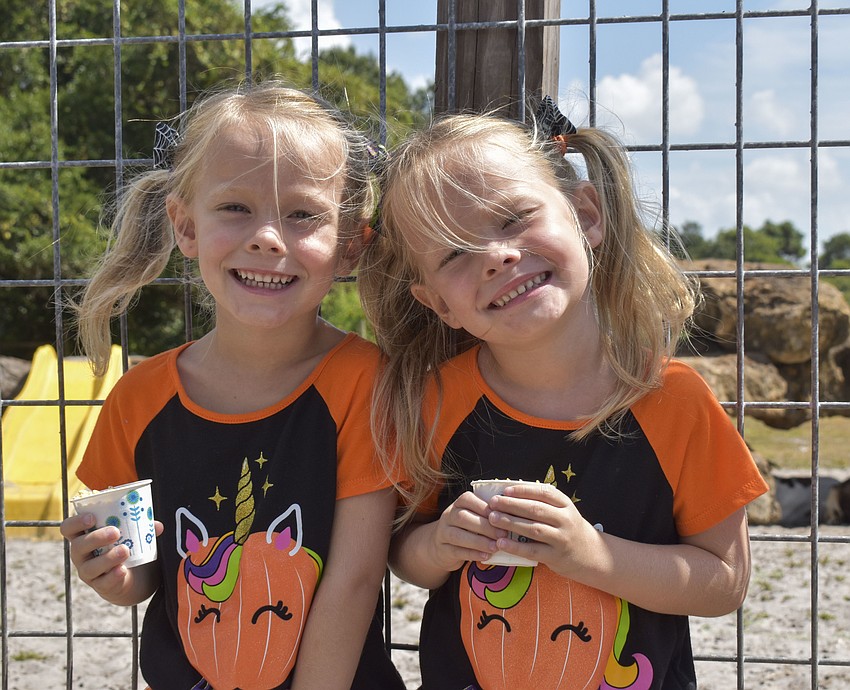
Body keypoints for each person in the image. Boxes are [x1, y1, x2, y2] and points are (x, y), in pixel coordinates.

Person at [359, 99, 769, 689]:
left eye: (513, 219)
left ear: (586, 214)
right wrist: (441, 544)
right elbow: (403, 551)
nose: (497, 255)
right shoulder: (437, 402)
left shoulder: (676, 402)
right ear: (438, 304)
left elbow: (724, 582)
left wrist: (592, 556)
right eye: (455, 253)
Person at [60, 80, 404, 690]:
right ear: (185, 226)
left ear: (350, 244)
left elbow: (353, 582)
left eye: (302, 214)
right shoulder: (136, 399)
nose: (267, 237)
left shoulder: (367, 383)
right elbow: (144, 577)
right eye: (235, 208)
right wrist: (110, 573)